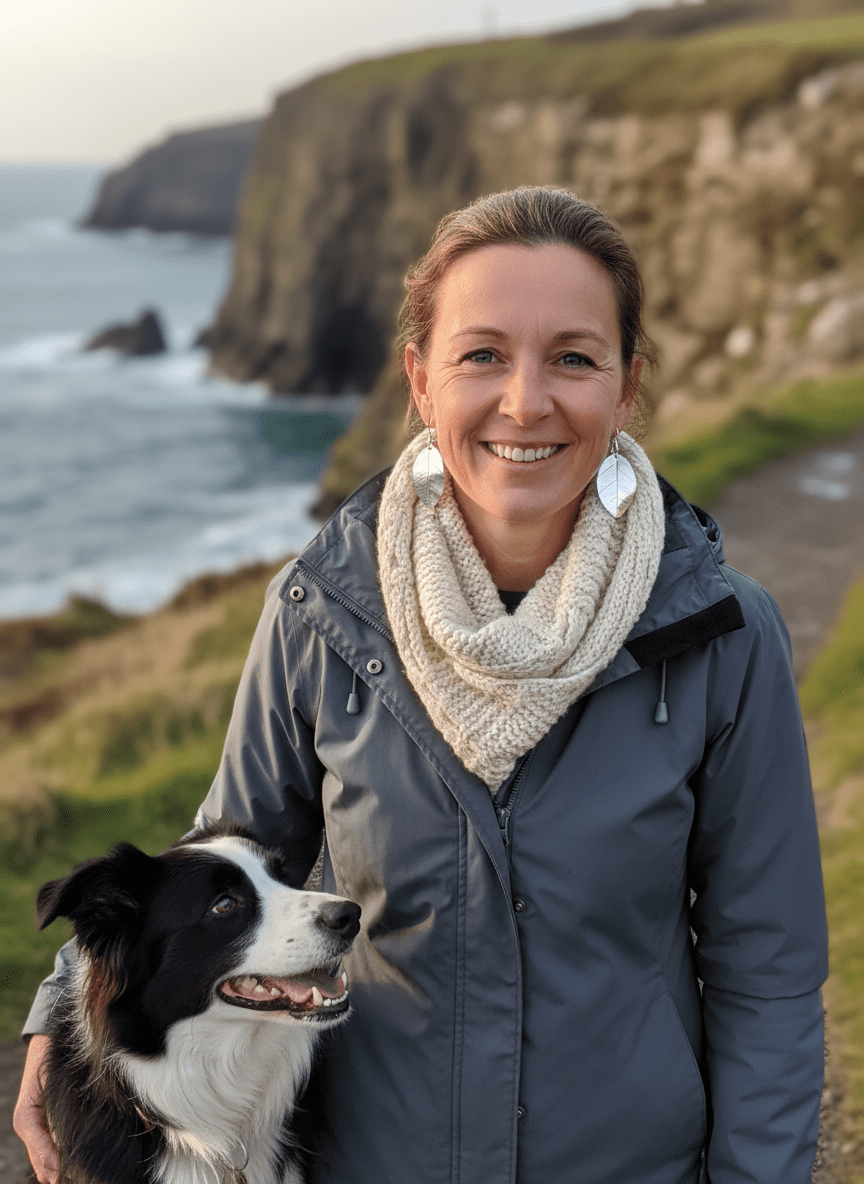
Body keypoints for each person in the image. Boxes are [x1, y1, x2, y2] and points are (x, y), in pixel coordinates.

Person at [16, 187, 828, 1184]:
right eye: (482, 353)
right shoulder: (322, 612)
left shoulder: (723, 633)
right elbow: (216, 853)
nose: (526, 401)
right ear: (419, 378)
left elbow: (769, 969)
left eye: (572, 356)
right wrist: (60, 1015)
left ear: (626, 388)